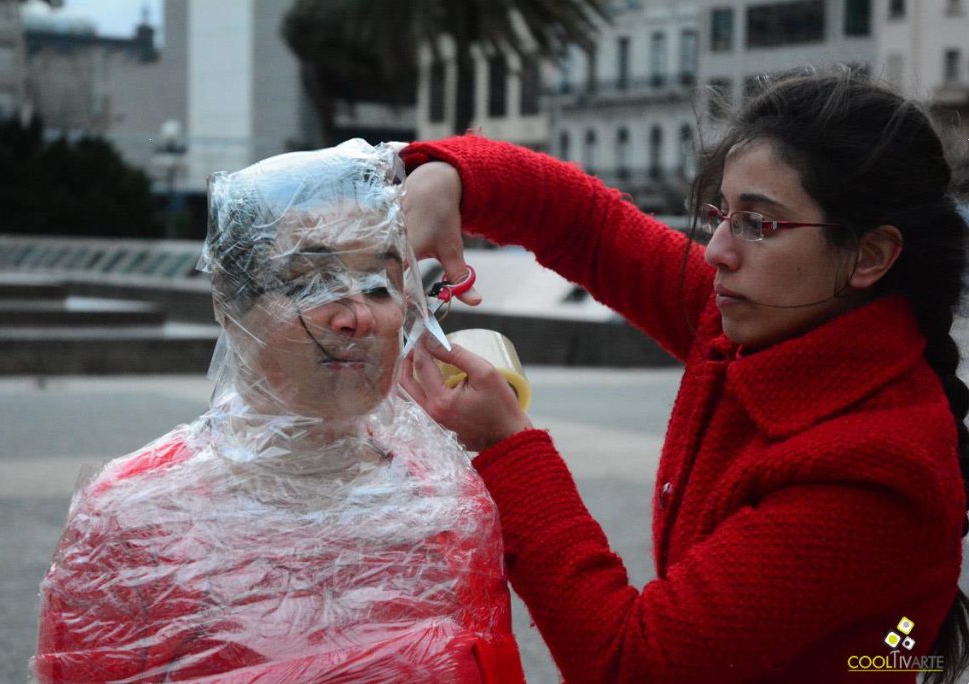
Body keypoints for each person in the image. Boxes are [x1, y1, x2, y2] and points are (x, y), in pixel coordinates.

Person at [398, 70, 969, 683]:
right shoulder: (758, 326)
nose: (719, 250)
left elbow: (631, 664)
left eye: (760, 224)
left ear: (872, 255)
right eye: (722, 213)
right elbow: (589, 225)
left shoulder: (873, 472)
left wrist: (505, 445)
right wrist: (455, 174)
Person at [30, 140, 525, 683]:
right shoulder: (133, 518)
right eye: (310, 282)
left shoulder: (447, 504)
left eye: (378, 284)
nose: (356, 316)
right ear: (229, 301)